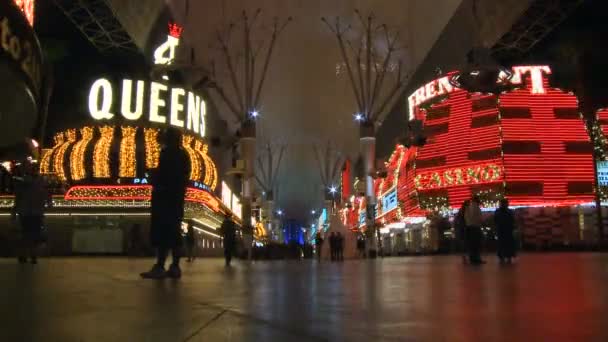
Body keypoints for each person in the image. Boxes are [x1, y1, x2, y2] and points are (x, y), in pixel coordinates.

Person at [141, 128, 189, 279]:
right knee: (174, 234)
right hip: (176, 200)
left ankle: (160, 266)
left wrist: (154, 176)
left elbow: (165, 176)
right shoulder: (183, 155)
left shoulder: (168, 154)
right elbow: (182, 177)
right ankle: (175, 267)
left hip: (165, 198)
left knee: (163, 232)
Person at [12, 161, 50, 264]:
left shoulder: (24, 181)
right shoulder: (40, 181)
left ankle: (25, 255)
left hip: (27, 212)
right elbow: (46, 194)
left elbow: (18, 197)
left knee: (26, 235)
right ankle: (31, 256)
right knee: (33, 235)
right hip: (34, 212)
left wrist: (14, 211)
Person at [494, 199, 516, 264]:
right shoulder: (509, 211)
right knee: (508, 244)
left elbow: (495, 220)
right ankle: (507, 257)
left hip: (502, 230)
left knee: (502, 244)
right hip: (507, 230)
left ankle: (503, 257)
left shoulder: (498, 211)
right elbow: (512, 220)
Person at [464, 195, 484, 265]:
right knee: (476, 244)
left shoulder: (469, 207)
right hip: (475, 227)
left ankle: (473, 258)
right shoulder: (475, 207)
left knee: (472, 244)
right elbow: (478, 217)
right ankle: (476, 258)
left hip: (470, 227)